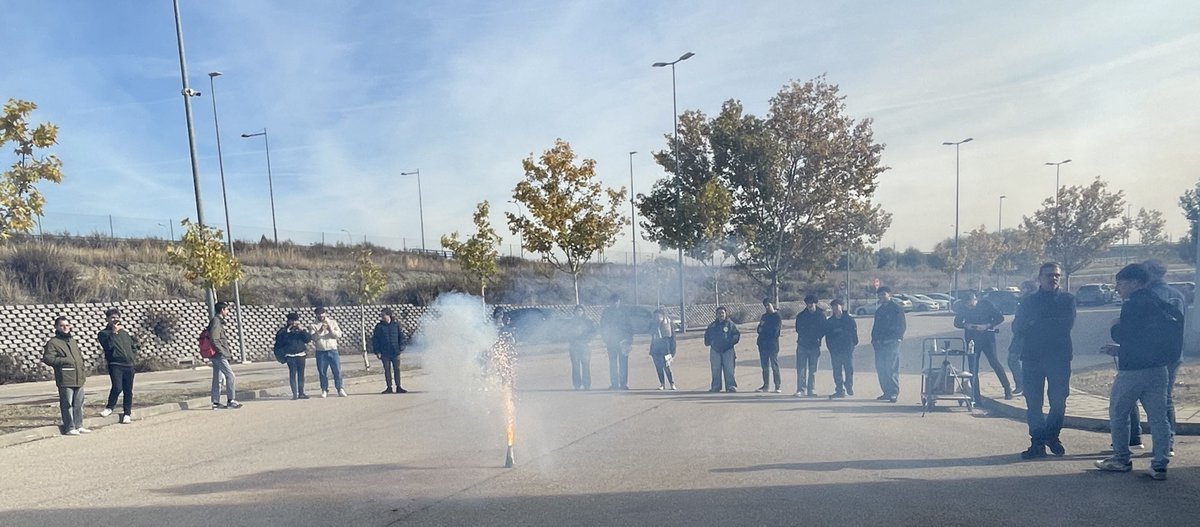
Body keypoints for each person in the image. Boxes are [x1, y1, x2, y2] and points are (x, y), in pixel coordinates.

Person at [1094, 264, 1176, 480]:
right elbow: (1146, 340)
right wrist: (1122, 350)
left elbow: (1126, 334)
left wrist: (1114, 327)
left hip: (1133, 371)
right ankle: (1160, 464)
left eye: (1120, 283)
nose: (1117, 287)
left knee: (1118, 413)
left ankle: (1121, 458)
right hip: (1159, 368)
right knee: (1159, 418)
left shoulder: (1133, 304)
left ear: (1134, 282)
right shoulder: (1159, 302)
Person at [1013, 262, 1076, 459]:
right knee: (1034, 403)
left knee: (1058, 402)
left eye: (1057, 275)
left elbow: (1065, 326)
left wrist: (1036, 324)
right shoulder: (1028, 302)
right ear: (1039, 278)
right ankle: (1037, 442)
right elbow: (1018, 327)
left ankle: (1052, 436)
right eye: (1049, 275)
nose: (1053, 278)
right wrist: (1041, 324)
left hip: (1059, 358)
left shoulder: (1068, 300)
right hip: (1032, 358)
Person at [1143, 259, 1185, 457]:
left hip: (1155, 354)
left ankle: (1163, 441)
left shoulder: (1151, 295)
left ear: (1150, 272)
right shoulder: (1178, 295)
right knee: (1166, 397)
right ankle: (1169, 440)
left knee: (1157, 399)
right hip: (1175, 353)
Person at [954, 292, 1013, 400]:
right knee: (973, 368)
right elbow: (957, 322)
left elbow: (1000, 318)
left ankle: (1007, 388)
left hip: (987, 338)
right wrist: (966, 325)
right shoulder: (963, 308)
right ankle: (976, 397)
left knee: (994, 362)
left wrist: (987, 325)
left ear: (975, 300)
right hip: (972, 339)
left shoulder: (986, 305)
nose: (970, 307)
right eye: (967, 306)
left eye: (971, 305)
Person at [42, 316, 90, 436]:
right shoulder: (53, 343)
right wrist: (64, 361)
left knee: (79, 403)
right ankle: (69, 427)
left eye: (67, 325)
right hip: (65, 377)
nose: (65, 328)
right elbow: (48, 358)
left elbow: (79, 356)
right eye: (62, 325)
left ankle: (79, 425)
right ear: (56, 327)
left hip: (79, 377)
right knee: (67, 404)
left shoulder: (72, 341)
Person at [97, 308, 139, 424]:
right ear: (107, 319)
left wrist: (132, 355)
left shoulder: (124, 333)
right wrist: (114, 333)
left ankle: (127, 413)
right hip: (115, 364)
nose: (115, 320)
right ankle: (109, 407)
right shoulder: (103, 334)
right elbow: (108, 347)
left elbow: (133, 346)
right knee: (117, 387)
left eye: (117, 317)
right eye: (112, 318)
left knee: (128, 390)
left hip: (128, 365)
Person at [871, 286, 906, 403]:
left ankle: (894, 393)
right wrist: (874, 339)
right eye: (880, 295)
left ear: (889, 295)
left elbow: (901, 325)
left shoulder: (897, 309)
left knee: (891, 368)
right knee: (881, 368)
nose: (881, 297)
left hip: (892, 342)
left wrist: (898, 338)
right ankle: (886, 392)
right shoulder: (879, 311)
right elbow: (875, 327)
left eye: (883, 294)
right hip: (879, 344)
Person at [208, 302, 242, 409]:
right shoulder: (216, 322)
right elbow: (214, 338)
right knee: (230, 375)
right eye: (227, 310)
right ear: (222, 310)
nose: (228, 312)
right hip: (218, 355)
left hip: (216, 354)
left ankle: (215, 402)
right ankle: (230, 400)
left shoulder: (217, 321)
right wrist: (222, 351)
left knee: (217, 378)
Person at [1007, 280, 1038, 396]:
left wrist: (1023, 327)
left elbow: (1031, 318)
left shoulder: (1030, 300)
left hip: (1024, 335)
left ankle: (1023, 385)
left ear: (1029, 289)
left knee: (1014, 359)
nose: (1021, 290)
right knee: (1015, 360)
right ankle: (1023, 385)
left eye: (1023, 288)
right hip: (1019, 334)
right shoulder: (1023, 300)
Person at [310, 307, 347, 398]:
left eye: (322, 313)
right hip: (321, 351)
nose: (321, 315)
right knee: (322, 372)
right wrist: (320, 330)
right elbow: (313, 338)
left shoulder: (333, 322)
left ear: (325, 313)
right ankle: (324, 389)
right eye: (319, 314)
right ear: (316, 315)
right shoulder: (313, 325)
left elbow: (338, 335)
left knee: (337, 370)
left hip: (332, 350)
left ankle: (340, 389)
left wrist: (330, 329)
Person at [825, 298, 859, 398]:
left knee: (849, 369)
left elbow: (854, 334)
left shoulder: (849, 319)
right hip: (835, 350)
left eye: (837, 305)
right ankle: (839, 390)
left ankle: (849, 385)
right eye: (833, 306)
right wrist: (831, 348)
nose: (835, 308)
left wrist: (852, 345)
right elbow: (828, 336)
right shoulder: (830, 321)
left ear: (842, 306)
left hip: (847, 349)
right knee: (837, 371)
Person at [794, 294, 826, 397]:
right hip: (802, 345)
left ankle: (811, 389)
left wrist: (817, 337)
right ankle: (801, 389)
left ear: (815, 303)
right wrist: (805, 335)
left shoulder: (820, 315)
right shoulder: (801, 315)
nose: (810, 305)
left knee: (813, 369)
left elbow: (823, 329)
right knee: (801, 369)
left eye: (812, 303)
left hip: (815, 346)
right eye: (808, 303)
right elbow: (798, 328)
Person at [275, 312, 312, 400]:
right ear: (288, 321)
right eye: (292, 321)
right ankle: (294, 393)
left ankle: (301, 392)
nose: (294, 323)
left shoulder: (300, 331)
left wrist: (302, 330)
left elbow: (307, 339)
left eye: (295, 320)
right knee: (292, 374)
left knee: (301, 374)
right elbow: (280, 342)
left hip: (301, 355)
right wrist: (288, 331)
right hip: (290, 356)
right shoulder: (283, 331)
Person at [599, 295, 634, 390]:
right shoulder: (606, 312)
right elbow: (602, 326)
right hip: (611, 341)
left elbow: (630, 327)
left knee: (623, 364)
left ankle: (623, 384)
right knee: (613, 363)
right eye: (613, 301)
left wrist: (630, 341)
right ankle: (614, 384)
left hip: (624, 341)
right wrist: (605, 338)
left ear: (619, 301)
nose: (615, 303)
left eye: (617, 301)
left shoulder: (625, 312)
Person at [704, 306, 740, 392]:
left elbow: (736, 335)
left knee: (729, 369)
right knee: (715, 370)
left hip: (728, 350)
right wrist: (710, 342)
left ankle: (731, 386)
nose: (721, 315)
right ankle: (716, 386)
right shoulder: (712, 326)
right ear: (716, 315)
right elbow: (707, 336)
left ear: (726, 314)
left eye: (722, 313)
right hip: (715, 351)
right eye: (719, 313)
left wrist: (730, 342)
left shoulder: (730, 324)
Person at [371, 307, 408, 393]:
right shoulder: (379, 327)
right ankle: (389, 387)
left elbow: (402, 337)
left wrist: (401, 347)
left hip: (395, 352)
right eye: (381, 316)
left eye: (383, 315)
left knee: (397, 369)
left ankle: (398, 387)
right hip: (384, 353)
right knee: (387, 370)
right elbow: (375, 340)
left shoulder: (396, 325)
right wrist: (377, 352)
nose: (382, 317)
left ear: (389, 315)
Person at [755, 299, 783, 393]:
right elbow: (759, 329)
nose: (767, 307)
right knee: (765, 366)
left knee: (774, 366)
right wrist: (763, 329)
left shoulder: (777, 317)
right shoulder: (764, 316)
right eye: (765, 306)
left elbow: (775, 331)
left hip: (772, 345)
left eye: (768, 305)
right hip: (763, 345)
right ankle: (766, 385)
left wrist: (764, 330)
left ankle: (777, 385)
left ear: (772, 305)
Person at [567, 305, 595, 390]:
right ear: (574, 312)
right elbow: (566, 333)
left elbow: (593, 333)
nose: (578, 312)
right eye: (577, 311)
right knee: (575, 366)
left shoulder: (588, 322)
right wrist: (572, 341)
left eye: (580, 311)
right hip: (574, 347)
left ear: (583, 312)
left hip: (585, 346)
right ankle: (577, 385)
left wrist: (585, 341)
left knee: (585, 365)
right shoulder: (571, 322)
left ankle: (587, 384)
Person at [649, 309, 677, 390]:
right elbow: (649, 332)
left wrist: (673, 351)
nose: (656, 317)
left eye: (658, 315)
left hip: (666, 349)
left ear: (662, 316)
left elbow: (673, 338)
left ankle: (672, 383)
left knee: (667, 367)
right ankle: (662, 384)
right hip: (655, 349)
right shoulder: (653, 324)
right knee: (658, 367)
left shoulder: (668, 323)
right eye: (655, 316)